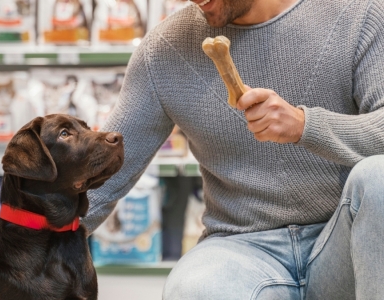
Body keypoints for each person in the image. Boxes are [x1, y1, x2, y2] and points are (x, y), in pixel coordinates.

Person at [83, 0, 384, 298]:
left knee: (379, 177)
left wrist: (306, 126)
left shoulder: (359, 15)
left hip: (345, 241)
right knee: (194, 290)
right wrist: (37, 233)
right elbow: (98, 179)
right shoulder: (163, 50)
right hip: (239, 249)